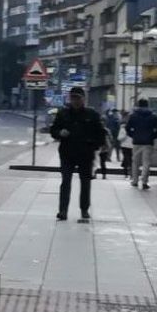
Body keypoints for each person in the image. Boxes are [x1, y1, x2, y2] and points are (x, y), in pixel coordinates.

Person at [50, 87, 105, 221]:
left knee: (85, 182)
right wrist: (59, 133)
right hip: (67, 153)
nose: (75, 101)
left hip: (85, 154)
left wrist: (93, 146)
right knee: (65, 181)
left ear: (83, 99)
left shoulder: (92, 115)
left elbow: (100, 134)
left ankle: (84, 209)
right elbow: (53, 130)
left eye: (78, 98)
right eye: (72, 98)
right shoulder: (63, 114)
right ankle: (63, 210)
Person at [125, 98, 157, 190]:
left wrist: (133, 135)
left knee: (135, 162)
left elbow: (127, 128)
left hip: (137, 142)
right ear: (147, 105)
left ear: (138, 105)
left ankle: (135, 181)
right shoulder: (153, 116)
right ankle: (144, 181)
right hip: (148, 142)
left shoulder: (133, 116)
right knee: (146, 162)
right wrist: (153, 136)